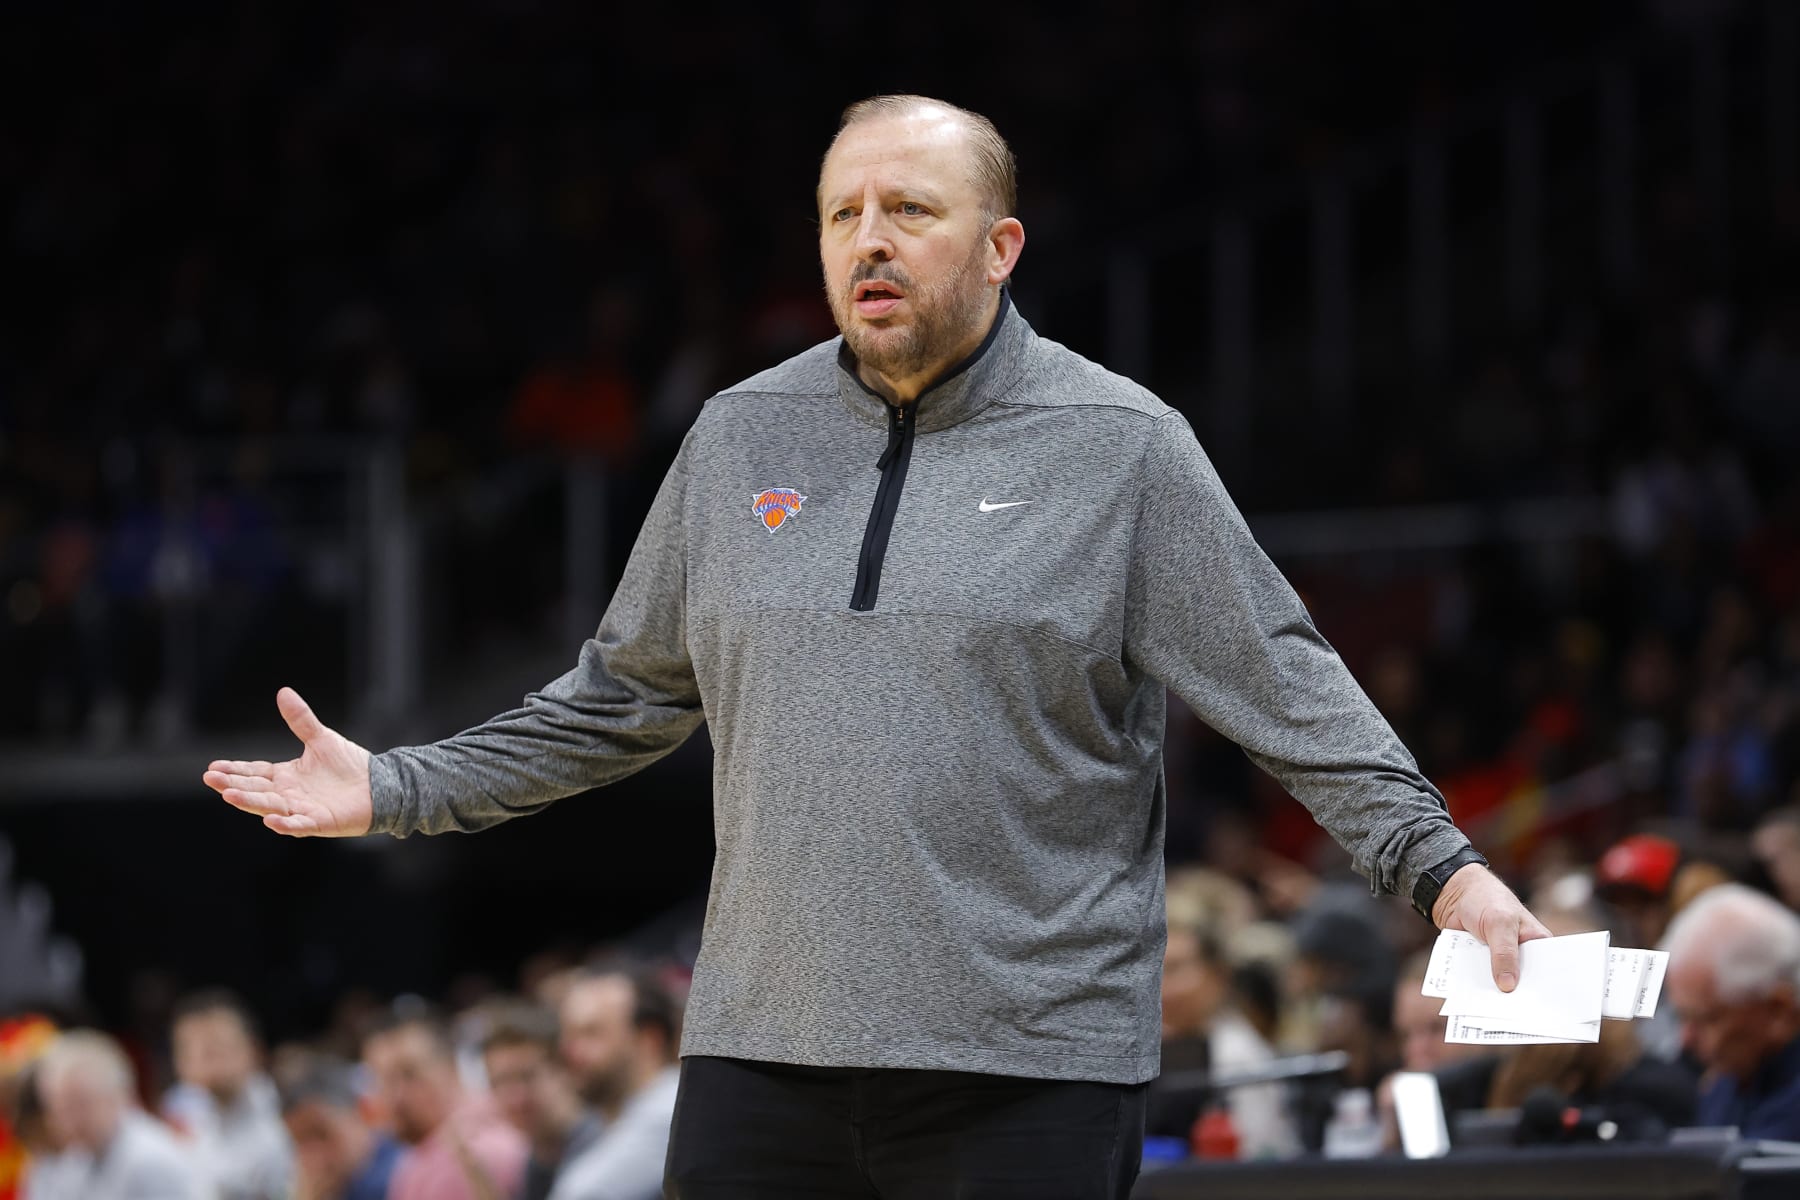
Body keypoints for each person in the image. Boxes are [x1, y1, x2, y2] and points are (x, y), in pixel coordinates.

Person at [204, 93, 1548, 1196]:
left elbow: (1288, 689)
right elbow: (617, 701)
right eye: (845, 214)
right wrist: (394, 788)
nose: (871, 241)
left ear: (1002, 246)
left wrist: (1450, 877)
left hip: (1026, 1075)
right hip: (758, 1061)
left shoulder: (1124, 449)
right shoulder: (739, 436)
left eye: (910, 209)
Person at [1148, 916, 1297, 1157]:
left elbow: (1259, 1155)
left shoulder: (1238, 1054)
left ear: (1217, 974)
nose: (1162, 984)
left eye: (1174, 969)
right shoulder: (1150, 1048)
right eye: (1154, 969)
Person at [1664, 883, 1800, 1138]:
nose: (1686, 1039)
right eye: (1681, 1017)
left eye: (1706, 1020)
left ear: (1778, 1011)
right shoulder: (1727, 1085)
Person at [362, 1008, 526, 1200]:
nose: (397, 1096)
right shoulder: (418, 1156)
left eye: (410, 1074)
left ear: (451, 1066)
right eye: (384, 1081)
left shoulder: (472, 1152)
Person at [26, 1030, 207, 1200]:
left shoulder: (150, 1161)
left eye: (80, 1105)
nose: (70, 1121)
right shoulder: (75, 1158)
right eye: (60, 1109)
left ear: (116, 1095)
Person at [547, 971, 679, 1200]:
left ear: (649, 1038)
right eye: (567, 1035)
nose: (567, 1051)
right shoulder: (594, 1124)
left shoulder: (672, 1109)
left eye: (590, 1033)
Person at [163, 989, 294, 1200]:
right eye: (190, 1047)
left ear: (253, 1049)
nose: (205, 1057)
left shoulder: (287, 1119)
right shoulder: (181, 1111)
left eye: (217, 1045)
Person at [478, 1005, 598, 1200]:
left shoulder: (602, 1145)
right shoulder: (534, 1160)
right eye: (501, 1082)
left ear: (564, 1070)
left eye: (527, 1077)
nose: (515, 1098)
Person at [277, 1058, 404, 1200]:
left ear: (360, 1112)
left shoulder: (398, 1176)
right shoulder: (343, 1186)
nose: (314, 1159)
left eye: (321, 1135)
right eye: (299, 1143)